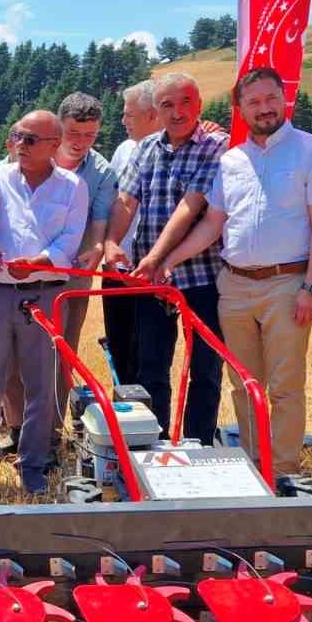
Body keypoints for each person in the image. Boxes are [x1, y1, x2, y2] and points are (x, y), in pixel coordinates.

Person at [157, 68, 312, 492]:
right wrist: (169, 260)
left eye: (270, 98)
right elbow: (212, 225)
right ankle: (256, 466)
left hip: (287, 283)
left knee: (285, 385)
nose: (264, 108)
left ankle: (285, 471)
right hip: (233, 285)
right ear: (240, 109)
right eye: (253, 102)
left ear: (284, 99)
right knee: (243, 383)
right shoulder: (232, 160)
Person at [0, 111, 88, 493]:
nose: (21, 145)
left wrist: (36, 264)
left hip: (47, 294)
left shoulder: (72, 186)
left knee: (43, 383)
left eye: (31, 139)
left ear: (56, 145)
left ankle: (34, 463)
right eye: (17, 136)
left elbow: (69, 242)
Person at [108, 72, 228, 443]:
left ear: (200, 105)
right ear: (156, 111)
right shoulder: (145, 149)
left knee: (205, 368)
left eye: (185, 102)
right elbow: (126, 201)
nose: (177, 112)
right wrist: (112, 242)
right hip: (151, 279)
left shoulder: (216, 147)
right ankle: (153, 445)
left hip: (202, 276)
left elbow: (191, 207)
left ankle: (199, 444)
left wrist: (157, 259)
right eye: (167, 105)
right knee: (151, 366)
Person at [101, 80, 162, 384]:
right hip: (116, 265)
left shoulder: (172, 152)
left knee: (147, 352)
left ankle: (147, 422)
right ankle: (121, 415)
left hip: (150, 269)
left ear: (153, 115)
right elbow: (117, 201)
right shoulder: (124, 150)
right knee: (118, 343)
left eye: (129, 115)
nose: (123, 121)